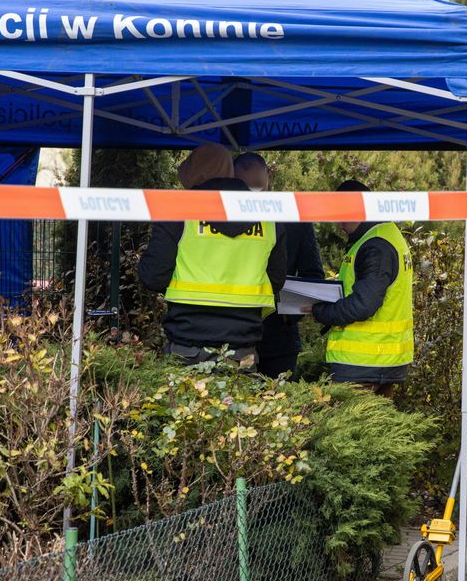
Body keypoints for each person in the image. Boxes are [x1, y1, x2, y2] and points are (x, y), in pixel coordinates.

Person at [138, 143, 287, 366]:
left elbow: (153, 275)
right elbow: (275, 280)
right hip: (242, 349)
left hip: (187, 345)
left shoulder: (177, 211)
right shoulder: (268, 215)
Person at [310, 180, 413, 395]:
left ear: (355, 208)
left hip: (364, 363)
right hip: (381, 360)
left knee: (347, 427)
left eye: (340, 218)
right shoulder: (386, 235)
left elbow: (364, 304)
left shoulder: (375, 245)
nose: (339, 226)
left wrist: (321, 311)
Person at [234, 152, 324, 378]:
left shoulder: (292, 218)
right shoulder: (221, 217)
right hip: (235, 333)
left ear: (269, 177)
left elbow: (312, 275)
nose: (253, 195)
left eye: (257, 188)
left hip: (277, 338)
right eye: (245, 189)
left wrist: (288, 315)